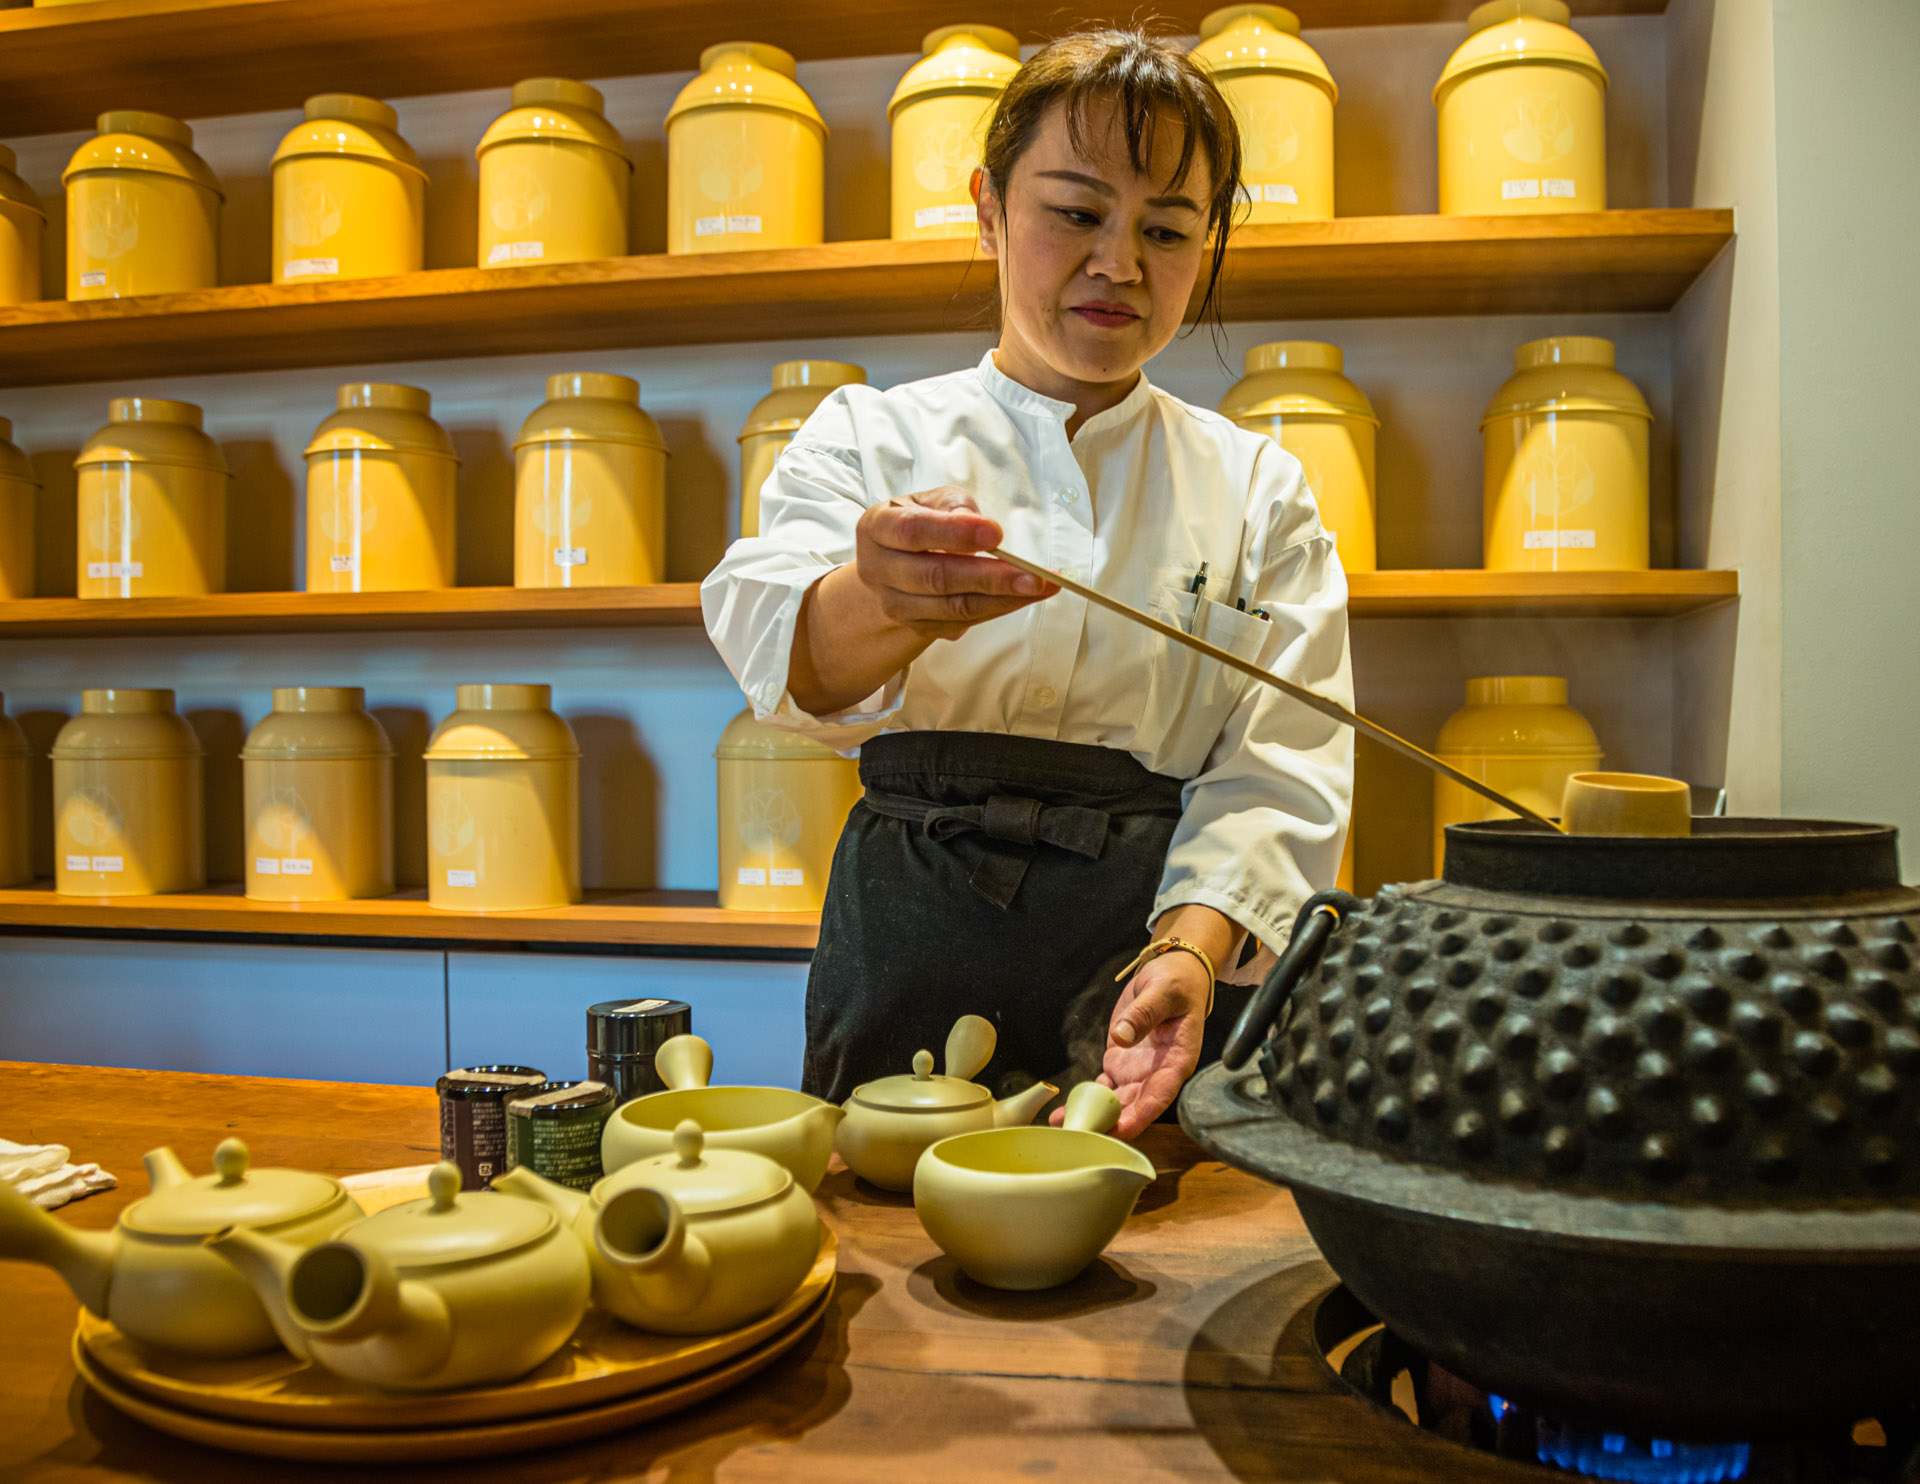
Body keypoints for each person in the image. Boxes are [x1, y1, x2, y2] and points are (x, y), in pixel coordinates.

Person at [703, 29, 1351, 1138]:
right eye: (1077, 211)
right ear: (990, 207)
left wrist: (1192, 949)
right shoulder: (867, 436)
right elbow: (782, 656)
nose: (1120, 264)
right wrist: (883, 598)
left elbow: (1283, 764)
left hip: (1143, 950)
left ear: (1209, 245)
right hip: (913, 915)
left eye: (1166, 229)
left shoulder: (1258, 486)